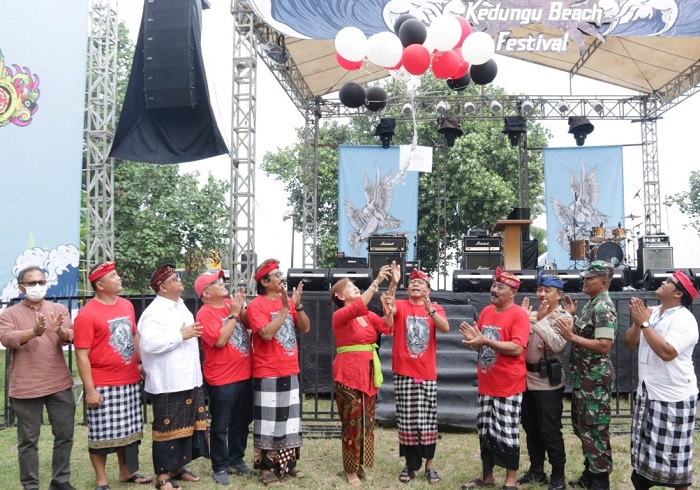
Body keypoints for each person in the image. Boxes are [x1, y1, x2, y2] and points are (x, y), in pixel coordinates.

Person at [74, 261, 152, 489]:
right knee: (100, 436)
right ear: (100, 284)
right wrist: (90, 390)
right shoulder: (86, 315)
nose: (119, 278)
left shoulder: (127, 305)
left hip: (128, 379)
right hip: (103, 384)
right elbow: (81, 355)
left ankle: (126, 472)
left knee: (129, 433)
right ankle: (101, 480)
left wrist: (138, 362)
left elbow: (134, 335)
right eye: (113, 276)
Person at [0, 266, 77, 490]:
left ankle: (61, 481)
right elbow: (6, 338)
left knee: (65, 435)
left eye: (41, 282)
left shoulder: (57, 308)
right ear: (21, 287)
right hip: (26, 386)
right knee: (28, 442)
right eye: (32, 283)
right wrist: (33, 332)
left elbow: (71, 334)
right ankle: (30, 485)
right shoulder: (10, 314)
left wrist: (61, 332)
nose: (37, 287)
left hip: (59, 383)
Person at [138, 264, 210, 490]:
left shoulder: (181, 306)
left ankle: (178, 467)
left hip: (189, 376)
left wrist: (184, 335)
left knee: (186, 426)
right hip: (168, 381)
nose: (179, 279)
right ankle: (162, 476)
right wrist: (180, 335)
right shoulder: (154, 312)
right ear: (162, 287)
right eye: (174, 278)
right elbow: (148, 344)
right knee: (166, 429)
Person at [625, 270, 698, 490]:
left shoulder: (685, 320)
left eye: (669, 281)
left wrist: (645, 324)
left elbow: (667, 353)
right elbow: (629, 343)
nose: (662, 282)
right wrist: (639, 323)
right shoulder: (653, 312)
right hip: (649, 392)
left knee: (675, 460)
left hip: (673, 397)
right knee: (643, 452)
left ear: (678, 293)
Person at [460, 266, 530, 490]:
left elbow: (517, 348)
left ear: (513, 293)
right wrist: (474, 342)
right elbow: (482, 346)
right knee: (486, 430)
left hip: (509, 384)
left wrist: (485, 342)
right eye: (494, 285)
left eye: (501, 287)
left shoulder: (519, 315)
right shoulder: (487, 311)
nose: (495, 289)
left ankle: (510, 480)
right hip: (487, 383)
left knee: (507, 432)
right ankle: (486, 475)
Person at [245, 259, 310, 487]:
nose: (282, 277)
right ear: (264, 281)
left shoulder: (289, 302)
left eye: (280, 273)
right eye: (276, 274)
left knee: (290, 420)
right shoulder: (256, 305)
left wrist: (297, 306)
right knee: (268, 422)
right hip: (268, 371)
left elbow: (305, 328)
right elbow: (265, 335)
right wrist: (284, 309)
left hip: (290, 368)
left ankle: (288, 463)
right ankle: (265, 468)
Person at [555, 260, 617, 490]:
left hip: (595, 380)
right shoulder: (593, 303)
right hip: (584, 378)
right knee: (583, 427)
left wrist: (572, 338)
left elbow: (603, 345)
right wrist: (571, 316)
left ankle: (600, 481)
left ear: (603, 282)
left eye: (589, 278)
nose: (584, 280)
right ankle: (590, 473)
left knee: (595, 429)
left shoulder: (604, 308)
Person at [330, 265, 394, 486]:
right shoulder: (341, 315)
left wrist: (390, 308)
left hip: (367, 374)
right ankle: (350, 470)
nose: (356, 288)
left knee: (367, 422)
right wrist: (375, 282)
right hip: (347, 373)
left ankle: (360, 464)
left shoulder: (367, 315)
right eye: (351, 287)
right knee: (352, 422)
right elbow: (358, 305)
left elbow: (387, 328)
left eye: (356, 286)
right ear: (339, 295)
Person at [387, 266, 449, 485]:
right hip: (404, 370)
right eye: (412, 282)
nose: (415, 284)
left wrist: (430, 309)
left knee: (427, 420)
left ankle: (430, 465)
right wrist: (393, 284)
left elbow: (446, 328)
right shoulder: (402, 305)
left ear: (428, 289)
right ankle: (409, 465)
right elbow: (389, 310)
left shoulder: (436, 308)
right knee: (406, 420)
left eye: (420, 282)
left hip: (426, 373)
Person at [195, 269, 255, 485]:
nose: (222, 283)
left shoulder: (232, 304)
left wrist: (242, 309)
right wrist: (234, 314)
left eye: (221, 280)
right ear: (206, 293)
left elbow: (250, 324)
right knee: (220, 425)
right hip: (222, 379)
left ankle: (236, 460)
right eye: (215, 282)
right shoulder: (205, 313)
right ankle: (219, 466)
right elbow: (220, 341)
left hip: (244, 374)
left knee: (242, 421)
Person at [517, 272, 570, 490]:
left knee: (550, 429)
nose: (542, 294)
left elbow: (558, 345)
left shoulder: (564, 317)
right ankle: (536, 470)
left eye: (547, 291)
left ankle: (558, 475)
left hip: (548, 382)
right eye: (540, 290)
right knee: (531, 427)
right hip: (527, 379)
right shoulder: (529, 314)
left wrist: (540, 321)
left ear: (559, 294)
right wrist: (524, 318)